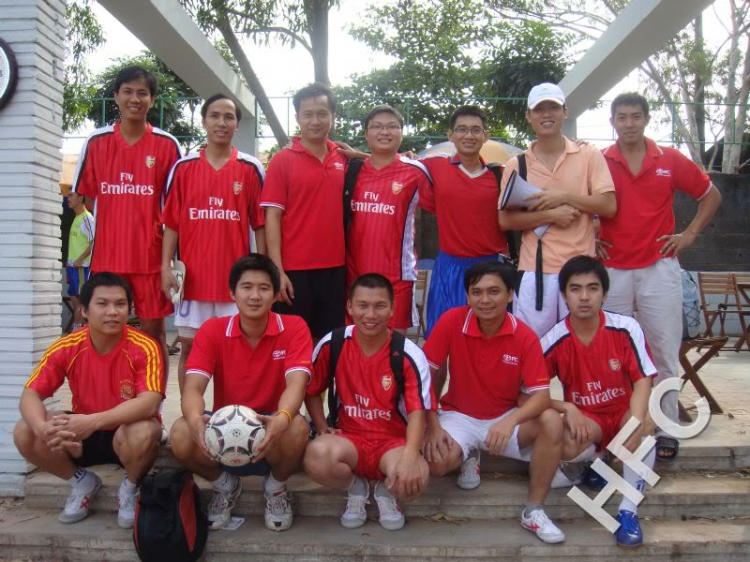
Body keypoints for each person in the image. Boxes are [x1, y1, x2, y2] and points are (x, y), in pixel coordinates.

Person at [598, 92, 722, 461]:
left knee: (665, 351)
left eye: (636, 116)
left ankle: (667, 429)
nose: (630, 123)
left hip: (658, 267)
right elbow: (583, 200)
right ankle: (617, 430)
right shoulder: (600, 160)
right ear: (613, 121)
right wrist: (590, 233)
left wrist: (690, 235)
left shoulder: (668, 158)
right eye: (622, 117)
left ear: (647, 119)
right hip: (613, 271)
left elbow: (710, 195)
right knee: (612, 354)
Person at [421, 261, 566, 544]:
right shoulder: (452, 320)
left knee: (551, 420)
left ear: (510, 295)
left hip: (504, 418)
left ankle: (533, 510)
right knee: (437, 464)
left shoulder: (524, 335)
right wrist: (433, 424)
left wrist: (510, 420)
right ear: (468, 295)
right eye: (477, 292)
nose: (485, 300)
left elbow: (542, 395)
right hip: (458, 416)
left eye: (494, 291)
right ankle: (469, 453)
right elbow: (426, 377)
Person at [169, 254, 312, 532]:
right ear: (232, 293)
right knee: (180, 432)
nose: (255, 296)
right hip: (225, 430)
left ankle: (276, 489)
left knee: (296, 427)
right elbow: (193, 386)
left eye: (264, 288)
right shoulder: (213, 330)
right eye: (246, 287)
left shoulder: (294, 328)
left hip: (273, 428)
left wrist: (282, 417)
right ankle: (225, 486)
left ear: (275, 294)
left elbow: (297, 383)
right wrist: (195, 417)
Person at [14, 273, 165, 529]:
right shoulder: (67, 346)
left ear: (129, 310)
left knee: (146, 429)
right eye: (102, 304)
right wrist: (41, 428)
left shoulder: (144, 346)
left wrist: (92, 422)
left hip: (123, 434)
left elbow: (150, 402)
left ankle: (130, 489)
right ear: (83, 310)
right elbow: (30, 394)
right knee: (25, 430)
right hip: (80, 437)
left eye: (120, 304)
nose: (112, 312)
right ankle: (82, 482)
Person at [541, 256, 658, 546]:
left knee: (645, 425)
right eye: (575, 288)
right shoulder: (555, 338)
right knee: (564, 438)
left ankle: (627, 511)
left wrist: (634, 423)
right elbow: (531, 391)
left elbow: (643, 379)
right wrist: (566, 407)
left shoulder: (625, 327)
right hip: (587, 418)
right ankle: (590, 465)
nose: (584, 297)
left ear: (604, 294)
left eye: (592, 288)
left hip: (621, 411)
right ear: (564, 295)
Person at [303, 273, 433, 531]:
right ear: (350, 307)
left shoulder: (409, 353)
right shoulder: (334, 343)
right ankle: (356, 490)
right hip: (349, 437)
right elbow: (311, 390)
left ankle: (386, 493)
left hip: (393, 441)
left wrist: (410, 454)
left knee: (417, 477)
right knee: (315, 457)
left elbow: (418, 410)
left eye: (379, 306)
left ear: (393, 308)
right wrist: (321, 427)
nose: (370, 314)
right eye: (362, 305)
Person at [71, 65, 182, 360]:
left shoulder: (167, 145)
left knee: (154, 335)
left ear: (152, 100)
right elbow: (88, 197)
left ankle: (152, 404)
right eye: (128, 92)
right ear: (116, 96)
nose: (135, 99)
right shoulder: (97, 143)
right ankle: (111, 401)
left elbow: (175, 207)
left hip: (151, 258)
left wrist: (168, 262)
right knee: (106, 333)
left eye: (142, 93)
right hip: (108, 259)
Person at [161, 94, 266, 392]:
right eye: (215, 116)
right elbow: (171, 224)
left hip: (237, 286)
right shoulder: (183, 168)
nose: (222, 122)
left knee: (238, 356)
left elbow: (260, 225)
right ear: (204, 121)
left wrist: (262, 273)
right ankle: (189, 422)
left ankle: (234, 420)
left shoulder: (250, 168)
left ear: (237, 124)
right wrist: (165, 267)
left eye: (229, 117)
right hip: (193, 282)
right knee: (191, 354)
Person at [498, 82, 617, 337]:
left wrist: (564, 197)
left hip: (580, 270)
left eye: (553, 107)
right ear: (529, 117)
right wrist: (551, 214)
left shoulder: (589, 155)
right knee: (532, 348)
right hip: (534, 270)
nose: (547, 114)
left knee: (580, 346)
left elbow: (608, 205)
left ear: (565, 112)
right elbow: (505, 220)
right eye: (539, 109)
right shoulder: (517, 163)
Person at [261, 83, 347, 342]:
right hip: (294, 272)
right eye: (307, 114)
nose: (315, 120)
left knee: (329, 346)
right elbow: (272, 218)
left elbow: (379, 164)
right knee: (292, 346)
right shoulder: (282, 161)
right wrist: (277, 271)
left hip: (336, 269)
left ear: (333, 116)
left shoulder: (343, 158)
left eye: (322, 113)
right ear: (297, 117)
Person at [419, 105, 512, 336]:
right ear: (450, 135)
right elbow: (389, 160)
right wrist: (356, 155)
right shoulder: (433, 166)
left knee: (490, 338)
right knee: (441, 338)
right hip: (448, 268)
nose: (468, 136)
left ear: (485, 135)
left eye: (475, 130)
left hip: (490, 268)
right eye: (461, 129)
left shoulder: (501, 173)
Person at [345, 105, 432, 332]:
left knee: (394, 347)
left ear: (402, 132)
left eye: (392, 126)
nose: (385, 132)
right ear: (366, 133)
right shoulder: (350, 170)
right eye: (377, 127)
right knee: (354, 344)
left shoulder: (416, 172)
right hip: (353, 277)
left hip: (397, 278)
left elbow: (446, 206)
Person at [65, 191, 95, 330]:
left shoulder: (87, 218)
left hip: (82, 267)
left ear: (81, 197)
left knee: (80, 302)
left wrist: (80, 259)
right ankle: (80, 331)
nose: (68, 198)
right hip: (73, 267)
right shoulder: (76, 218)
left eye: (71, 195)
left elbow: (95, 242)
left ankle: (77, 333)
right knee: (74, 299)